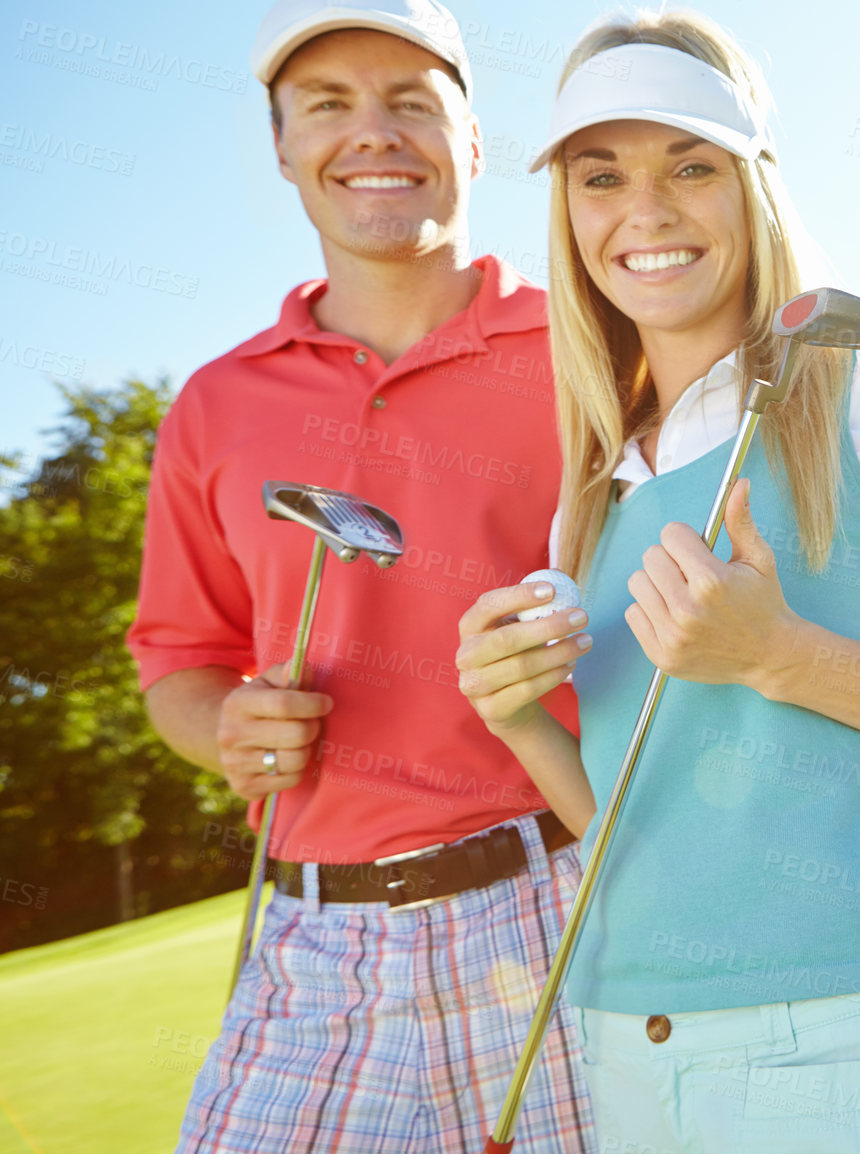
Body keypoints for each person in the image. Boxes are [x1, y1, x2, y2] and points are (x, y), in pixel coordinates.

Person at [455, 12, 860, 1152]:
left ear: (755, 183)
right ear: (567, 213)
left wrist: (780, 654)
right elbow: (630, 833)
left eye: (689, 165)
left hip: (842, 1041)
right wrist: (517, 722)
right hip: (624, 1046)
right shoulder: (592, 486)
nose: (643, 211)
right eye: (601, 176)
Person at [125, 2, 599, 1149]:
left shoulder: (593, 352)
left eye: (410, 102)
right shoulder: (215, 406)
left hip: (565, 899)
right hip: (312, 935)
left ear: (473, 140)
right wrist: (227, 720)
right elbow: (177, 660)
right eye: (327, 105)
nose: (372, 133)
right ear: (284, 147)